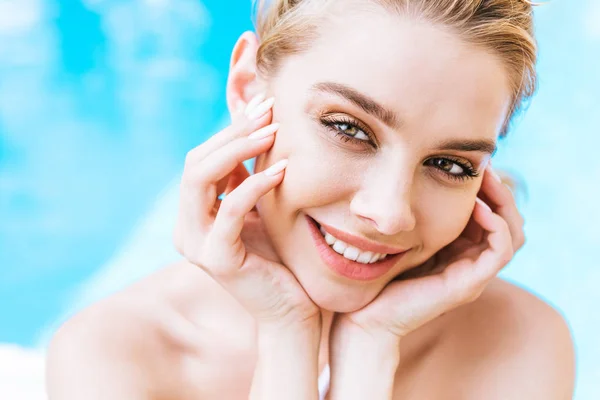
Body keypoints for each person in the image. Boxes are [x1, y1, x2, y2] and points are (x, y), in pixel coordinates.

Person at [46, 0, 576, 399]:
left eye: (450, 165)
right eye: (348, 128)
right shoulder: (113, 356)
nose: (389, 213)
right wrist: (285, 332)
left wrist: (370, 347)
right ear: (250, 87)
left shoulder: (516, 342)